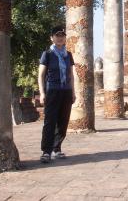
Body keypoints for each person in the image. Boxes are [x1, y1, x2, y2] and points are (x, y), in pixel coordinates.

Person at [38, 25, 75, 163]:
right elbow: (41, 75)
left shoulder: (68, 55)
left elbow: (71, 75)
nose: (60, 38)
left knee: (63, 121)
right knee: (50, 121)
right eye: (57, 35)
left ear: (65, 38)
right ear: (52, 38)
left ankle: (57, 148)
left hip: (66, 91)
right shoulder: (47, 54)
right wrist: (42, 93)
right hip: (52, 90)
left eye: (62, 35)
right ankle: (46, 151)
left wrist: (73, 92)